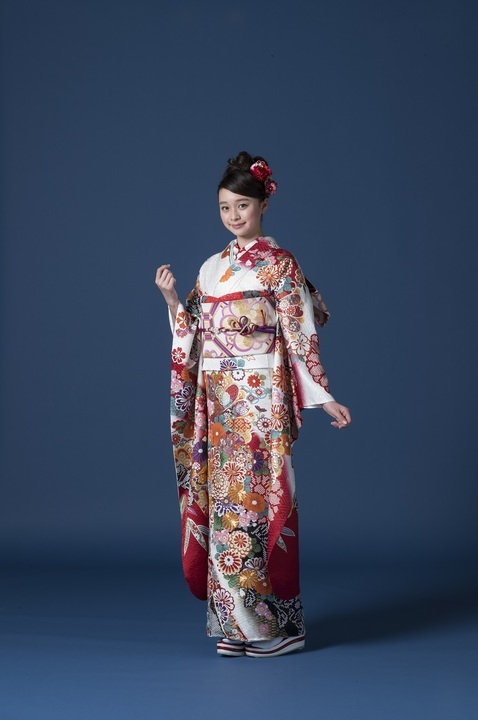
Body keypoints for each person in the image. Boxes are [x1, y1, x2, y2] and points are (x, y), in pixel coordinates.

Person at [155, 151, 351, 658]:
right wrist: (174, 302)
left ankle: (281, 629)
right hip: (219, 400)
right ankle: (237, 626)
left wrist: (323, 395)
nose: (233, 215)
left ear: (263, 204)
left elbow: (299, 332)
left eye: (242, 205)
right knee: (226, 507)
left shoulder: (280, 265)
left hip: (261, 398)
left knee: (259, 504)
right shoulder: (211, 268)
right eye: (225, 207)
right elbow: (193, 334)